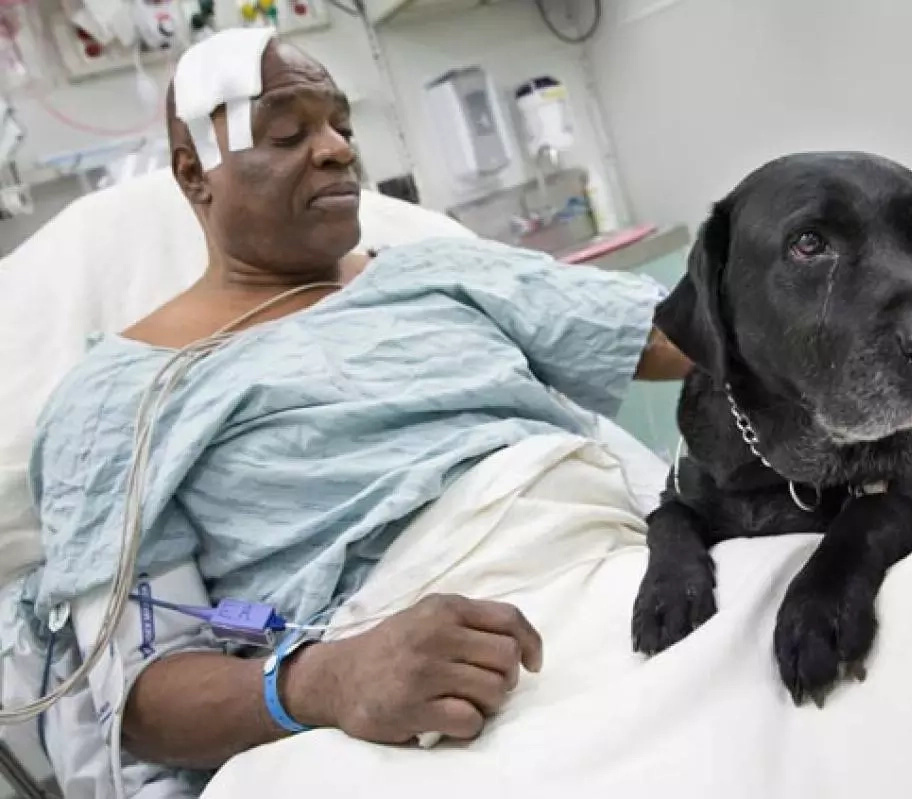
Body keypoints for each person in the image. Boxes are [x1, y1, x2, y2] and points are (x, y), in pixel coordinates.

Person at [26, 33, 689, 792]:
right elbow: (140, 702)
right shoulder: (123, 400)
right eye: (288, 132)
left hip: (630, 568)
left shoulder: (443, 270)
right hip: (406, 672)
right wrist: (325, 681)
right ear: (192, 175)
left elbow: (680, 336)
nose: (338, 148)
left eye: (341, 124)